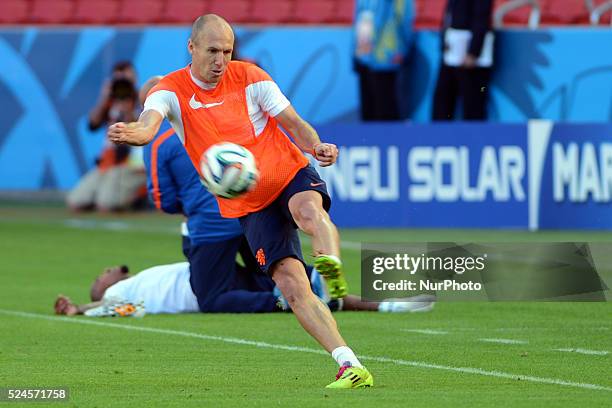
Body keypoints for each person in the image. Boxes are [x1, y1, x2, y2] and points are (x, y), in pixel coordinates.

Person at [108, 14, 371, 388]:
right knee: (293, 287)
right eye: (212, 51)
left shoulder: (250, 77)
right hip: (249, 203)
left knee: (307, 210)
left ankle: (332, 266)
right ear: (192, 47)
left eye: (227, 51)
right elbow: (150, 124)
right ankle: (350, 364)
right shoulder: (169, 90)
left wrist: (316, 145)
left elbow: (295, 123)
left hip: (286, 172)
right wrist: (134, 133)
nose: (220, 61)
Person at [53, 263, 435, 316]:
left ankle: (391, 299)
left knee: (297, 281)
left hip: (215, 272)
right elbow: (104, 310)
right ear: (100, 289)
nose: (110, 270)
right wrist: (78, 309)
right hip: (205, 291)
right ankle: (388, 306)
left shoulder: (130, 281)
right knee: (294, 296)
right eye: (103, 273)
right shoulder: (117, 297)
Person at [67, 61, 146, 211]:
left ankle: (139, 194)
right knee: (76, 201)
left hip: (129, 165)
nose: (122, 84)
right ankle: (109, 193)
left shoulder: (142, 99)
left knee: (106, 204)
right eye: (118, 79)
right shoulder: (109, 101)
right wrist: (104, 96)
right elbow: (92, 124)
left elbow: (140, 131)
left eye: (126, 79)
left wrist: (128, 109)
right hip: (107, 164)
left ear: (134, 79)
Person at [432, 0, 494, 121]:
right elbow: (449, 16)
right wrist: (444, 41)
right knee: (442, 100)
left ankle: (475, 138)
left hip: (471, 59)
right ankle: (439, 137)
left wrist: (473, 52)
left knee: (473, 103)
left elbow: (481, 19)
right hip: (451, 54)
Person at [353, 0, 415, 121]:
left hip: (387, 60)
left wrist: (403, 51)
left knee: (386, 109)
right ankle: (367, 139)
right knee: (368, 110)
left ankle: (392, 139)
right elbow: (358, 21)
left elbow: (405, 23)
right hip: (364, 58)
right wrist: (354, 53)